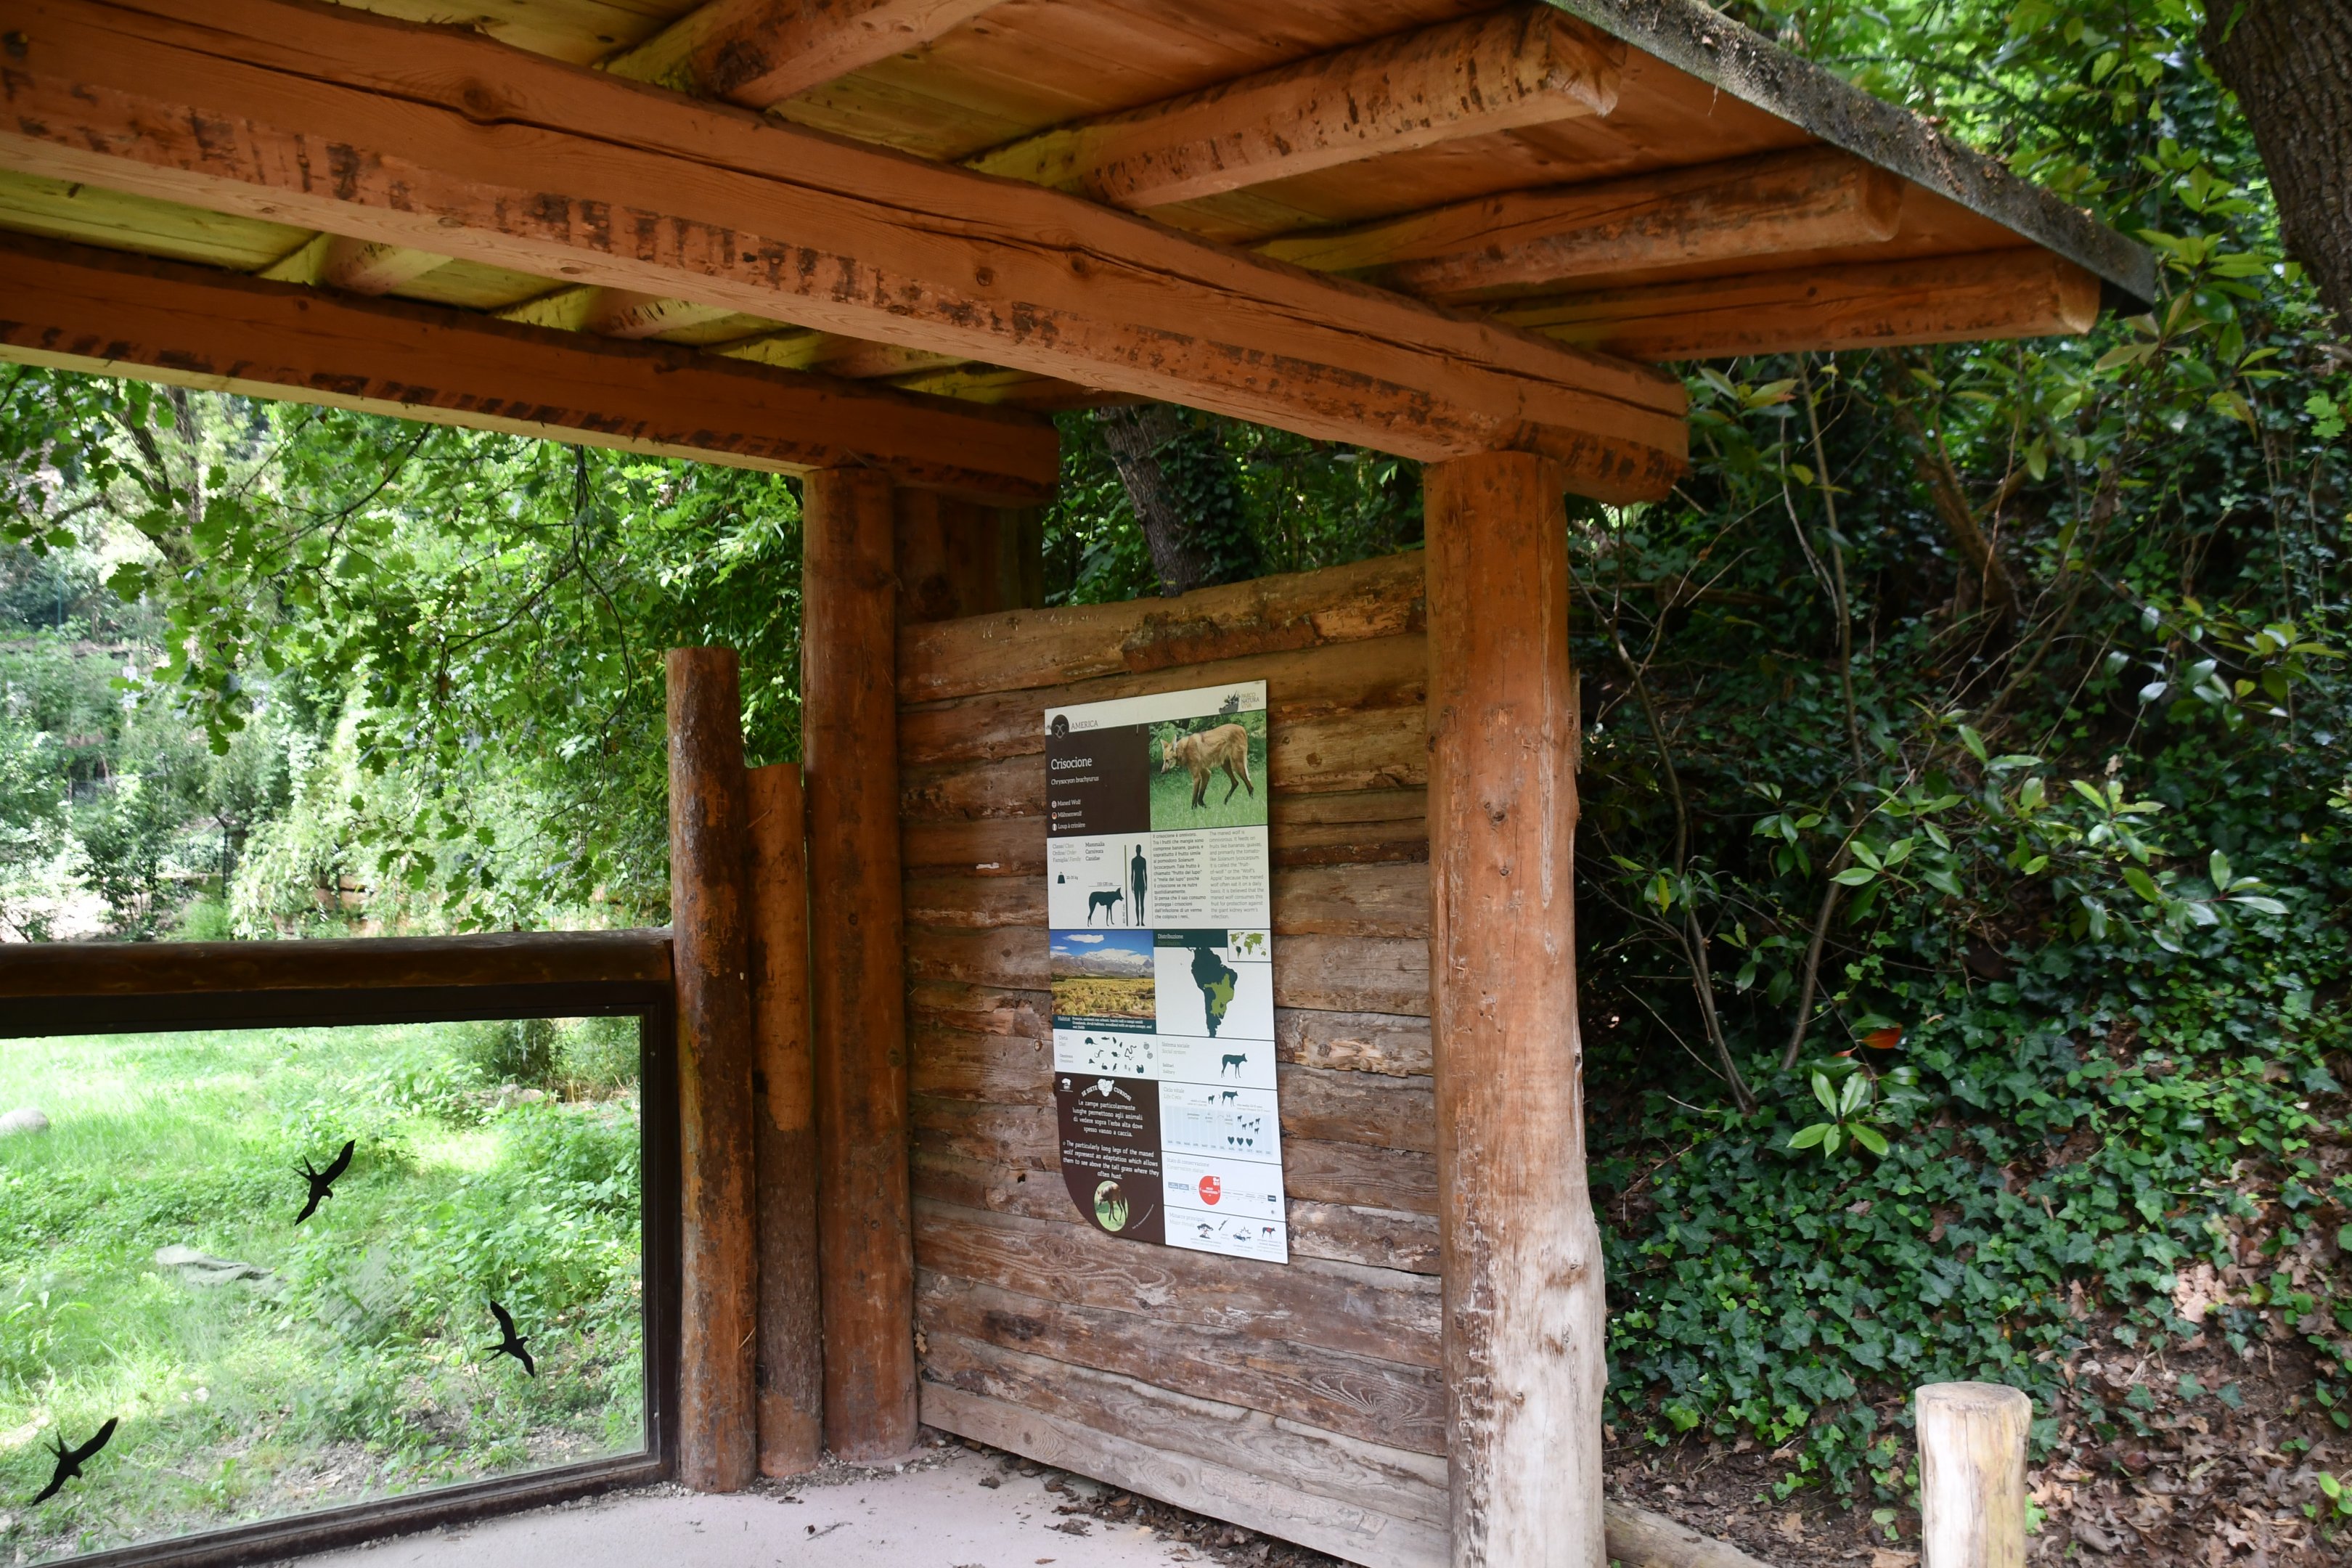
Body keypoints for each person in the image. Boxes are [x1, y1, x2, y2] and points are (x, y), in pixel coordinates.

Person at [1129, 842, 1149, 926]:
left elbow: (1144, 873)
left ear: (1137, 850)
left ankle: (1141, 922)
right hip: (1139, 883)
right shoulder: (1139, 860)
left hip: (1138, 883)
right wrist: (1132, 885)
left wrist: (1146, 884)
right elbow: (1133, 874)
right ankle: (1139, 921)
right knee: (1139, 904)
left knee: (1140, 904)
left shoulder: (1138, 860)